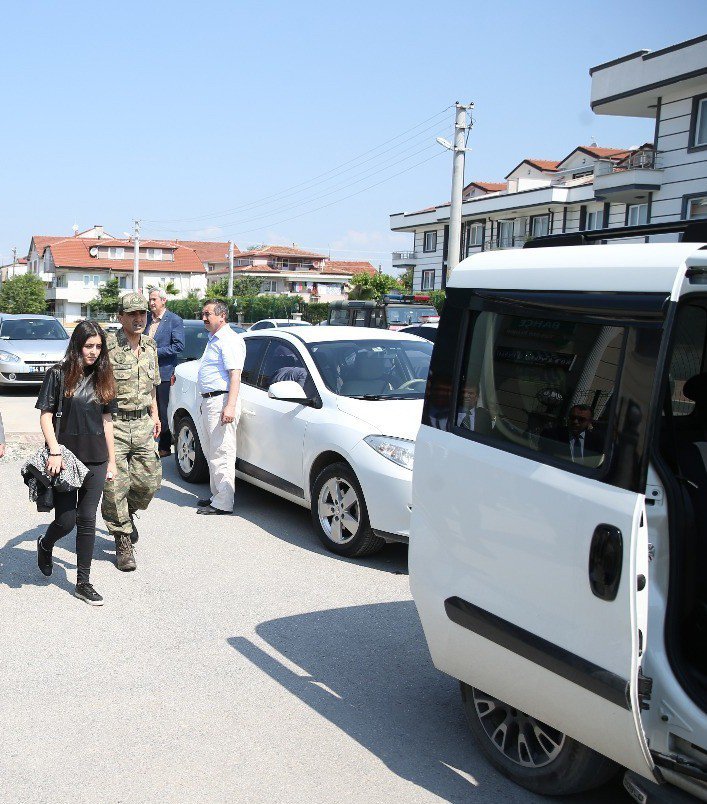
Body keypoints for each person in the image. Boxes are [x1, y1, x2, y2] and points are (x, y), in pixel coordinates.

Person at [35, 320, 117, 606]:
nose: (93, 352)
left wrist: (113, 462)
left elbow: (107, 421)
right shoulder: (57, 375)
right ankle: (45, 545)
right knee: (66, 521)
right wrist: (55, 451)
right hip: (66, 458)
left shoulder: (105, 376)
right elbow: (46, 415)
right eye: (88, 346)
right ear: (77, 345)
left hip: (96, 458)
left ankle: (83, 582)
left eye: (98, 346)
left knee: (87, 519)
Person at [101, 292, 162, 571]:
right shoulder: (109, 347)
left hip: (142, 423)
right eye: (132, 314)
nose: (139, 319)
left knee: (148, 482)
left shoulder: (151, 346)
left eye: (143, 314)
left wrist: (155, 414)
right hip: (114, 423)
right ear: (120, 317)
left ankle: (127, 514)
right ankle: (122, 540)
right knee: (114, 485)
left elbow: (153, 386)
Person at [196, 299, 245, 515]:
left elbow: (235, 375)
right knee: (211, 450)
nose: (204, 318)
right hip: (211, 401)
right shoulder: (214, 339)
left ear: (222, 315)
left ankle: (223, 503)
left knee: (222, 452)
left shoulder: (229, 340)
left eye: (208, 314)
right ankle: (217, 496)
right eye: (203, 314)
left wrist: (230, 406)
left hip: (221, 401)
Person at [147, 288, 185, 457]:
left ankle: (164, 446)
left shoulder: (174, 320)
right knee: (148, 409)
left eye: (155, 299)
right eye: (150, 299)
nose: (151, 302)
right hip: (145, 371)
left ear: (164, 301)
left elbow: (178, 346)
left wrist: (154, 352)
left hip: (164, 372)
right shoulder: (147, 319)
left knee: (162, 410)